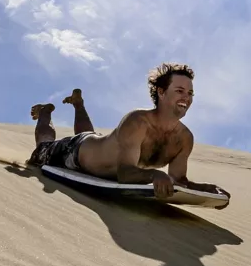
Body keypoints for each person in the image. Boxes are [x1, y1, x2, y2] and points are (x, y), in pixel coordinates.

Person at [26, 62, 230, 207]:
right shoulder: (138, 122)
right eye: (179, 91)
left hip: (94, 145)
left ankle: (79, 104)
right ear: (161, 91)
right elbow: (125, 174)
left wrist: (205, 190)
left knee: (88, 134)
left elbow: (178, 180)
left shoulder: (184, 139)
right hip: (74, 153)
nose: (186, 97)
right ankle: (45, 112)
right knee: (42, 148)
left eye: (190, 93)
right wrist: (154, 174)